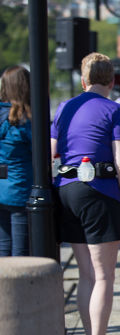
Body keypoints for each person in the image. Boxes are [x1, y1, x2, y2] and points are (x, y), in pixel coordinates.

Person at [51, 53, 120, 335]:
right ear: (112, 81)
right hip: (99, 191)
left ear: (83, 79)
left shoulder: (64, 108)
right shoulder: (115, 111)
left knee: (85, 273)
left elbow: (53, 154)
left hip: (67, 189)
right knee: (104, 275)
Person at [0, 66, 32, 256]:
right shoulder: (25, 120)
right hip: (20, 191)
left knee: (3, 249)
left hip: (1, 189)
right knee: (21, 252)